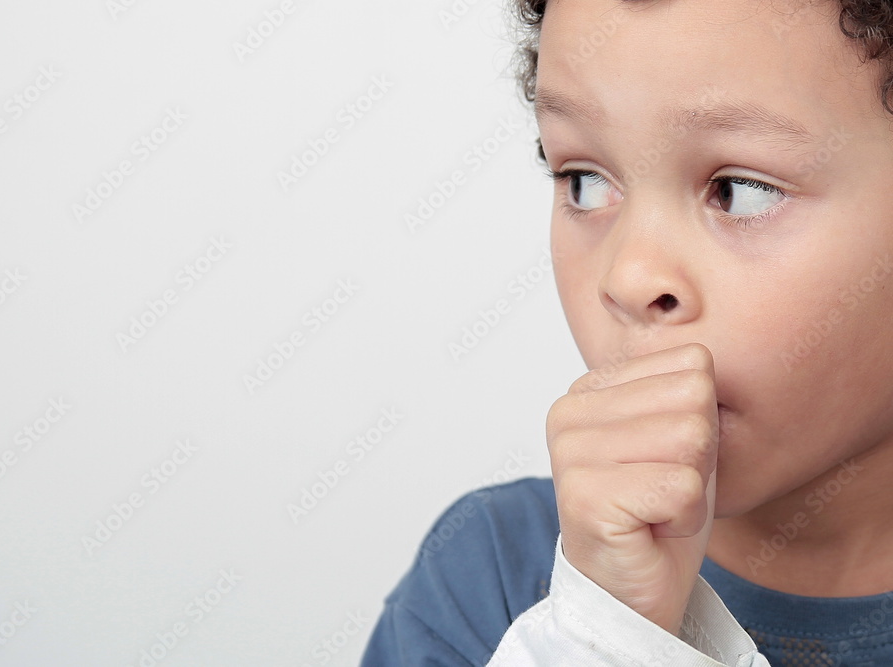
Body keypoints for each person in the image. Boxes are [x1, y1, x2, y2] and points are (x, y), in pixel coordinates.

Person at [361, 0, 893, 663]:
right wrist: (602, 630)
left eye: (740, 191)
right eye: (584, 181)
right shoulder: (483, 586)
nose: (630, 276)